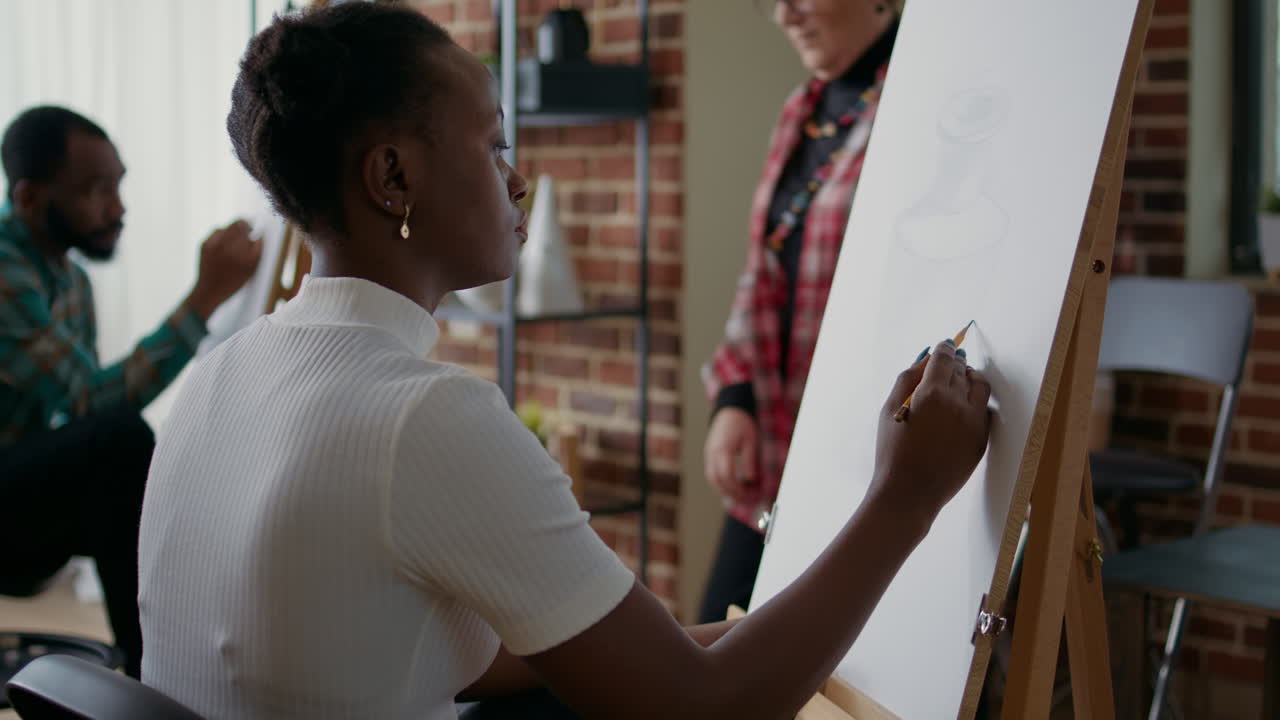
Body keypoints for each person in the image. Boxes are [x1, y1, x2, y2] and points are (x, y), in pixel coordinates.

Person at [137, 5, 990, 719]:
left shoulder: (220, 372)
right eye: (494, 147)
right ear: (392, 178)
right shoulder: (424, 415)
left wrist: (761, 623)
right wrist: (905, 498)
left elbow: (488, 654)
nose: (518, 183)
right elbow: (706, 709)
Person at [0, 106, 261, 677]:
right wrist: (204, 298)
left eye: (118, 184)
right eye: (96, 190)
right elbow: (95, 409)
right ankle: (155, 677)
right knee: (117, 443)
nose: (117, 208)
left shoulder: (69, 279)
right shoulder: (4, 271)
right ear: (26, 199)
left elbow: (75, 408)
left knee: (145, 465)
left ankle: (161, 666)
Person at [700, 0, 904, 624]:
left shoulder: (919, 99)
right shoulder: (801, 112)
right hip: (780, 440)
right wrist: (735, 397)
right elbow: (763, 270)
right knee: (719, 633)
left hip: (868, 444)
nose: (786, 16)